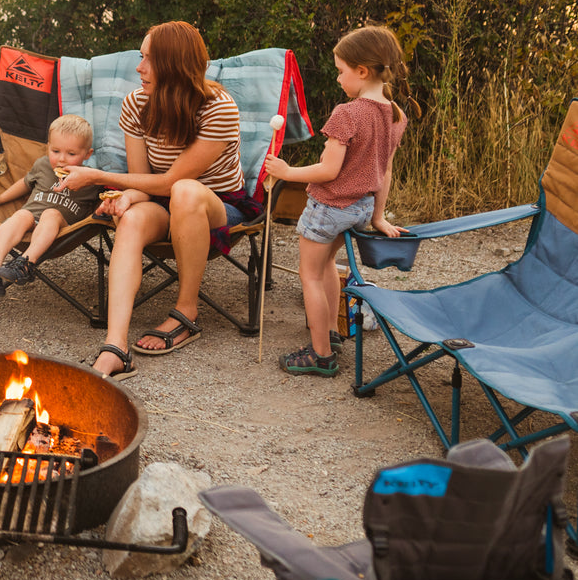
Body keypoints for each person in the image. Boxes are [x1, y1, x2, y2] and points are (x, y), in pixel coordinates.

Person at [62, 21, 254, 381]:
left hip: (216, 204)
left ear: (175, 65)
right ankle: (116, 347)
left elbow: (171, 181)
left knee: (184, 190)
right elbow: (146, 183)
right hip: (164, 199)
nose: (139, 68)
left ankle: (187, 311)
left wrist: (98, 175)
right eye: (141, 57)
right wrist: (123, 198)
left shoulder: (219, 108)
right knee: (132, 220)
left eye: (149, 59)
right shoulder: (137, 103)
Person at [265, 25, 410, 377]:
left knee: (310, 276)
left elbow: (329, 171)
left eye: (340, 71)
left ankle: (321, 355)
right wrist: (377, 216)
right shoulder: (396, 115)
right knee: (329, 266)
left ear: (362, 71)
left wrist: (285, 171)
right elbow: (385, 172)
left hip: (329, 208)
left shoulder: (347, 113)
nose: (337, 78)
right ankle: (331, 333)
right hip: (360, 208)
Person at [0, 114, 102, 298]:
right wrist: (1, 198)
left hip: (64, 229)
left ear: (87, 154)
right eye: (55, 151)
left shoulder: (91, 178)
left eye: (71, 154)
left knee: (51, 213)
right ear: (48, 148)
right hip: (31, 221)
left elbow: (105, 198)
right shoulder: (43, 165)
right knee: (20, 215)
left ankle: (26, 264)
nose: (61, 159)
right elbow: (25, 183)